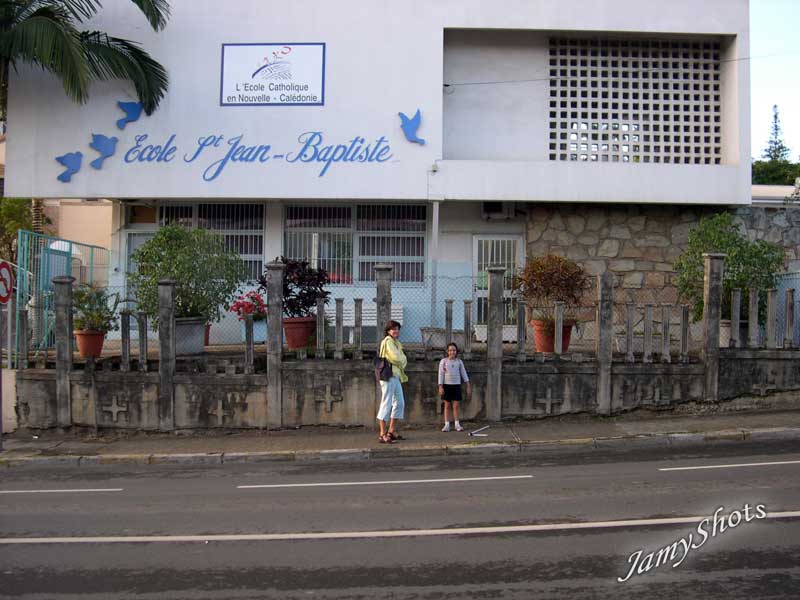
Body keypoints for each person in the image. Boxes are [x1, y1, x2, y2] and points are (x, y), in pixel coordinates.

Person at [377, 320, 407, 443]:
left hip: (396, 375)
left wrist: (402, 359)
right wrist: (402, 359)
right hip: (387, 376)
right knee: (386, 403)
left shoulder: (397, 343)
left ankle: (391, 431)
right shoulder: (388, 341)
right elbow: (396, 358)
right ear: (388, 331)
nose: (396, 331)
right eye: (393, 329)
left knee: (400, 403)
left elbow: (403, 359)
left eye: (397, 329)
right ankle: (382, 434)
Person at [438, 342, 471, 432]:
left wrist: (468, 385)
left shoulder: (459, 362)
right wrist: (440, 387)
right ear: (447, 351)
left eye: (454, 350)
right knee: (447, 405)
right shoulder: (443, 361)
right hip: (446, 386)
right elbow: (440, 375)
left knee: (456, 406)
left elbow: (463, 373)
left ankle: (457, 424)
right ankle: (447, 424)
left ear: (456, 351)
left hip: (456, 386)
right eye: (450, 350)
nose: (452, 352)